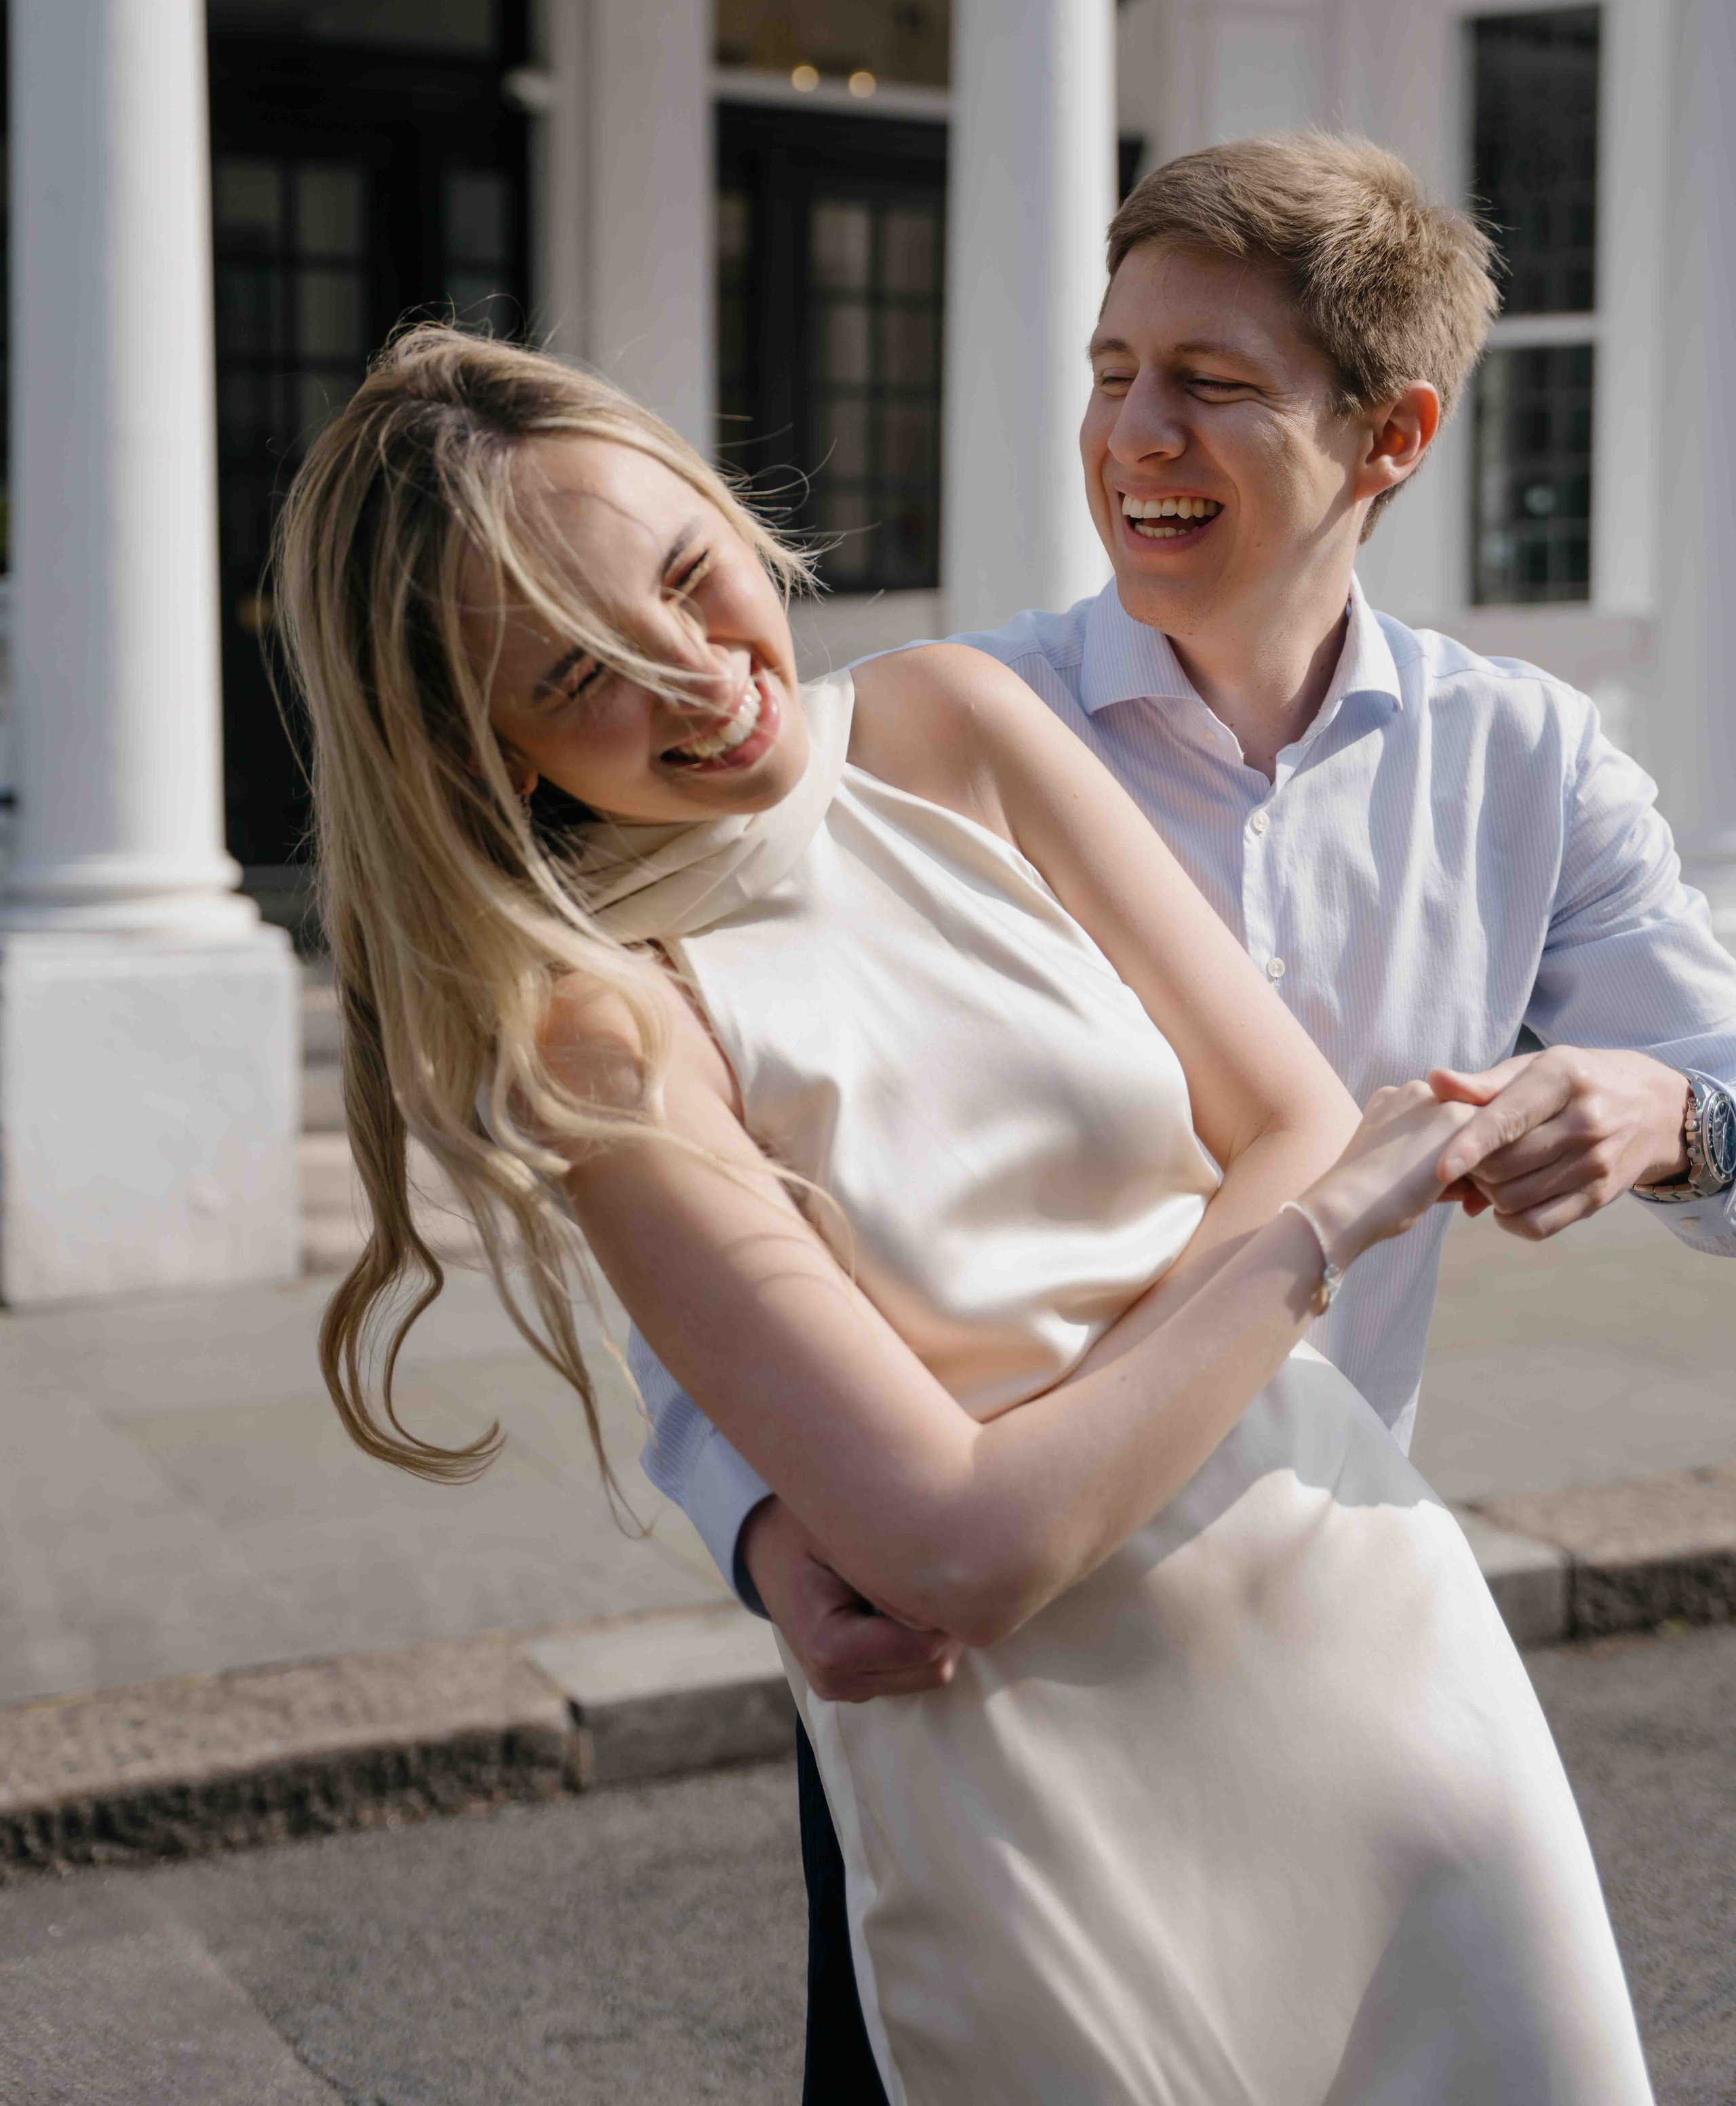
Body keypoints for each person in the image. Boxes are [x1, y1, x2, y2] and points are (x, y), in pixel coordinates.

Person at [278, 321, 1655, 2103]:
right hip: (1036, 1781)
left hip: (1376, 1648)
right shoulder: (601, 1029)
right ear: (486, 749)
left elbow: (1298, 1114)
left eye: (690, 576)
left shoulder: (951, 722)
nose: (700, 676)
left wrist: (1018, 1462)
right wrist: (1304, 1242)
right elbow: (962, 1560)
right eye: (581, 673)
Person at [631, 132, 1736, 2100]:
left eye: (1213, 384)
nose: (1135, 431)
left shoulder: (1529, 763)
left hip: (1333, 1633)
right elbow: (708, 1189)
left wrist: (1675, 1114)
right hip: (975, 1670)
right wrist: (764, 1520)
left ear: (1391, 436)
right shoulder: (923, 738)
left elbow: (1725, 1116)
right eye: (1113, 369)